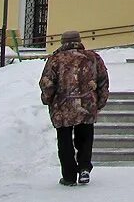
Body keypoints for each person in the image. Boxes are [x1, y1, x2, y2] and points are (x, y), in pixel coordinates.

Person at [39, 30, 110, 187]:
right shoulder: (93, 58)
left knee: (64, 141)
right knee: (85, 138)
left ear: (63, 42)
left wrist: (47, 99)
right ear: (79, 41)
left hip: (62, 107)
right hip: (87, 105)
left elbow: (47, 83)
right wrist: (99, 102)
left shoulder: (55, 59)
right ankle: (84, 168)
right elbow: (103, 81)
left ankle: (69, 176)